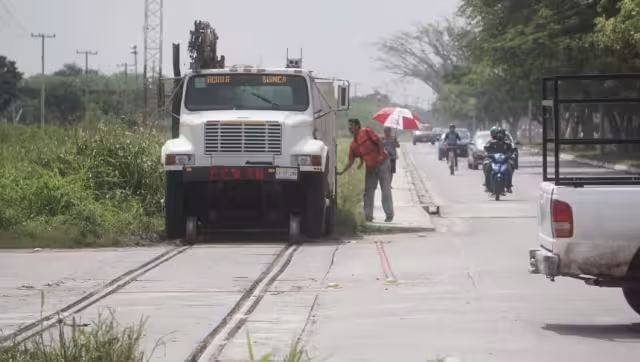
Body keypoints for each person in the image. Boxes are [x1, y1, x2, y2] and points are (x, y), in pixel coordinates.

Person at [337, 118, 394, 222]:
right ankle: (368, 215)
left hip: (382, 164)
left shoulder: (367, 132)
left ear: (358, 126)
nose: (349, 128)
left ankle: (389, 215)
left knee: (385, 189)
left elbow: (379, 142)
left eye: (351, 126)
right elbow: (350, 161)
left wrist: (381, 155)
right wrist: (341, 172)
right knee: (368, 192)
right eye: (349, 126)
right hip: (371, 168)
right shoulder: (353, 145)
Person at [483, 127, 514, 193]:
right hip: (493, 160)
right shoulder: (491, 143)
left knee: (510, 166)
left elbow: (512, 151)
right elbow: (486, 149)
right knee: (487, 167)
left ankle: (508, 186)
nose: (500, 136)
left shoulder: (507, 144)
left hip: (504, 161)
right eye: (498, 134)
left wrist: (512, 155)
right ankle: (487, 186)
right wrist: (486, 154)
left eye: (502, 134)